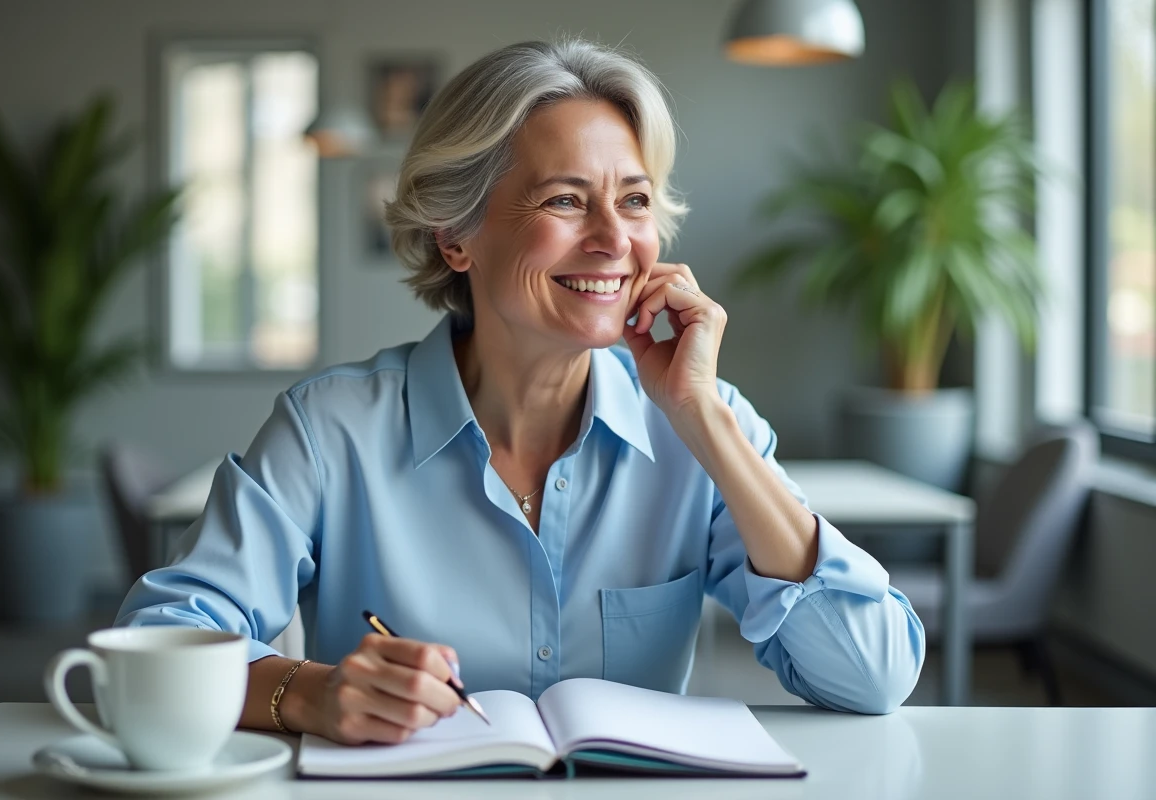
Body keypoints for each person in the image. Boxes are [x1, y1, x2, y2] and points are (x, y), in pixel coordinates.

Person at [117, 37, 925, 746]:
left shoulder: (699, 423)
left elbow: (874, 673)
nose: (615, 240)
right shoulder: (329, 430)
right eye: (567, 200)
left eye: (635, 200)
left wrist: (704, 422)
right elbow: (158, 643)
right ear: (457, 236)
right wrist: (312, 694)